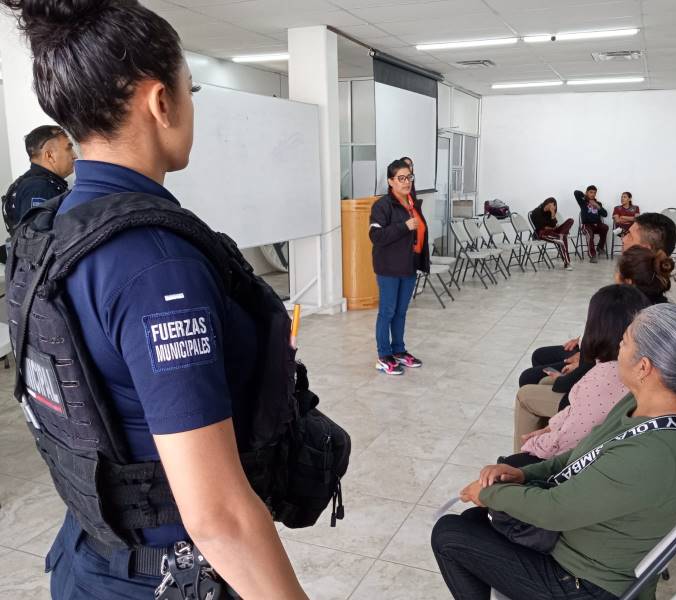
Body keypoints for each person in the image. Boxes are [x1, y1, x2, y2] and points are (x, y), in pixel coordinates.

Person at [2, 1, 307, 598]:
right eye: (190, 90)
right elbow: (216, 514)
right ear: (160, 101)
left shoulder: (52, 229)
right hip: (164, 576)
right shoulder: (157, 266)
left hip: (88, 558)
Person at [432, 304, 676, 600]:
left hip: (586, 584)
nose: (617, 350)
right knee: (471, 524)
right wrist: (522, 473)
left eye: (623, 343)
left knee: (448, 535)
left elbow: (554, 510)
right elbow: (579, 456)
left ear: (644, 367)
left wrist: (488, 494)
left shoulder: (656, 454)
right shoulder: (638, 405)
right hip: (576, 549)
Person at [509, 285, 649, 465]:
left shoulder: (605, 377)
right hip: (583, 442)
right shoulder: (636, 364)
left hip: (568, 462)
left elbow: (569, 440)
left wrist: (533, 444)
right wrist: (550, 428)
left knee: (506, 466)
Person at [518, 244, 674, 395]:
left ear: (628, 281)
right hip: (600, 362)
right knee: (540, 355)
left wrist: (567, 374)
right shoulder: (659, 305)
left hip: (600, 372)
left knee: (528, 377)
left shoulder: (623, 309)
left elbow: (596, 363)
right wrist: (582, 347)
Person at [369, 159, 430, 375]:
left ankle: (398, 351)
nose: (406, 182)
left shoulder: (412, 203)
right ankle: (384, 355)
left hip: (408, 265)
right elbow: (375, 236)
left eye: (409, 177)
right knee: (387, 311)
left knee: (401, 312)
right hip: (389, 267)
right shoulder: (383, 205)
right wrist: (403, 226)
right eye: (401, 178)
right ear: (391, 181)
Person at [1, 124, 76, 234]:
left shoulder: (31, 182)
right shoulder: (39, 188)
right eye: (69, 148)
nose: (75, 155)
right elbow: (38, 241)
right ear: (49, 155)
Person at [622, 212, 676, 305]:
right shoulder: (643, 276)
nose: (623, 239)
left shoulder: (661, 301)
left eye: (630, 236)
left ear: (646, 249)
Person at [529, 197, 574, 270]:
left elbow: (554, 225)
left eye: (553, 206)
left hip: (554, 232)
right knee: (562, 239)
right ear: (546, 203)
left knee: (570, 220)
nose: (552, 207)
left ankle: (561, 235)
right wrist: (551, 227)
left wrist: (553, 213)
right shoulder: (536, 212)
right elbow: (541, 227)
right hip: (542, 233)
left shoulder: (551, 212)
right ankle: (567, 263)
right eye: (551, 205)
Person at [575, 185, 608, 263]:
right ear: (587, 193)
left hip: (597, 225)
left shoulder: (598, 203)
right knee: (590, 234)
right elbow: (576, 192)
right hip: (586, 225)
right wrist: (588, 200)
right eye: (591, 192)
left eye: (594, 193)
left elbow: (605, 214)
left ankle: (600, 247)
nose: (593, 194)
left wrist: (597, 206)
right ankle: (592, 255)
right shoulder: (583, 202)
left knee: (605, 227)